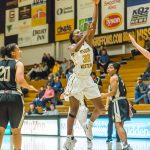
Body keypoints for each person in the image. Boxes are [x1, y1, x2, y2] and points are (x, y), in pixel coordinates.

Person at [63, 1, 106, 149]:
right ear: (72, 37)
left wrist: (96, 6)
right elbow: (76, 48)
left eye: (80, 31)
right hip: (76, 79)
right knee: (73, 110)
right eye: (77, 33)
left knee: (101, 108)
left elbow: (94, 23)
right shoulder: (72, 46)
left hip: (88, 79)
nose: (79, 32)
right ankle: (69, 139)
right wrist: (85, 35)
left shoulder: (88, 41)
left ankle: (89, 125)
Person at [0, 43, 37, 150]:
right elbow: (20, 80)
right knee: (15, 131)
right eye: (19, 49)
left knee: (0, 130)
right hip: (14, 97)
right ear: (13, 53)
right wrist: (29, 86)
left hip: (0, 96)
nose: (21, 51)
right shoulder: (18, 63)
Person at [101, 63, 132, 150]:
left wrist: (103, 95)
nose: (108, 69)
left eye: (110, 67)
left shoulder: (113, 78)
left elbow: (113, 92)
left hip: (118, 102)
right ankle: (126, 145)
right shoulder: (119, 77)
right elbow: (125, 94)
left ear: (115, 69)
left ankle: (126, 145)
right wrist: (129, 106)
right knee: (121, 124)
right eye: (107, 68)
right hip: (123, 101)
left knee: (118, 125)